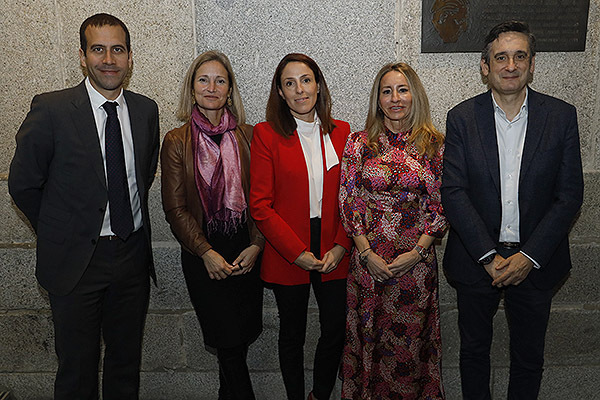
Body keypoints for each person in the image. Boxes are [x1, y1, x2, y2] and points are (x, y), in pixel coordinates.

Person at [8, 13, 159, 399]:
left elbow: (143, 174)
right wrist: (62, 232)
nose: (108, 59)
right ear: (82, 55)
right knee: (77, 369)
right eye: (98, 49)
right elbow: (25, 184)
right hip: (76, 262)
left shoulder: (145, 111)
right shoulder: (52, 110)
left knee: (125, 365)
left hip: (131, 258)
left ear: (129, 57)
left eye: (117, 50)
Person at [441, 20, 584, 399]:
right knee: (473, 353)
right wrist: (489, 255)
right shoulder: (461, 118)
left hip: (537, 260)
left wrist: (528, 257)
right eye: (500, 57)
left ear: (532, 64)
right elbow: (453, 192)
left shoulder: (561, 116)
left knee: (528, 358)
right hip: (476, 260)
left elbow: (569, 196)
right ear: (485, 66)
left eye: (520, 56)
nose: (510, 65)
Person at [339, 62, 447, 399]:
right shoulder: (358, 143)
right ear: (378, 98)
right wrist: (367, 253)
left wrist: (416, 253)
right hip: (368, 265)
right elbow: (348, 199)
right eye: (387, 91)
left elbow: (441, 204)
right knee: (367, 341)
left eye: (402, 90)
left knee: (410, 351)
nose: (395, 98)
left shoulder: (434, 145)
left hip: (415, 267)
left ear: (414, 95)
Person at [161, 50, 264, 400]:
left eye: (220, 80)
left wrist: (257, 245)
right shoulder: (177, 141)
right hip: (202, 255)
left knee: (236, 343)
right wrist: (206, 253)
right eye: (203, 79)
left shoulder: (250, 136)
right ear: (192, 88)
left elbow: (264, 200)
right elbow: (175, 209)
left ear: (230, 89)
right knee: (229, 343)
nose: (211, 87)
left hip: (245, 252)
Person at [249, 53, 352, 400]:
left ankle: (320, 394)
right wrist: (297, 254)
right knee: (291, 332)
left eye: (306, 80)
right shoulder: (266, 134)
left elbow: (350, 198)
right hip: (287, 247)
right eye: (289, 83)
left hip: (334, 244)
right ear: (280, 91)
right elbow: (260, 205)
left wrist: (341, 245)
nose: (299, 90)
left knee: (335, 328)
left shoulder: (343, 132)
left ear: (318, 85)